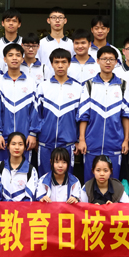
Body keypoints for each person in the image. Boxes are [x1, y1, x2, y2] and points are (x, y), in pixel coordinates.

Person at [76, 46, 129, 182]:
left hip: (115, 144)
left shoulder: (123, 86)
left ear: (116, 62)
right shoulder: (89, 85)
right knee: (90, 182)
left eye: (111, 59)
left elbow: (126, 115)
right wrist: (82, 139)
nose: (107, 62)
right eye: (104, 59)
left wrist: (126, 140)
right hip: (91, 144)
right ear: (98, 61)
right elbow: (83, 115)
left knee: (113, 182)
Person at [36, 48, 82, 176]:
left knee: (66, 179)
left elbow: (81, 117)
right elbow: (37, 114)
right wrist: (35, 135)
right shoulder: (43, 87)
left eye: (64, 62)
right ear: (51, 64)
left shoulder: (78, 88)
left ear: (69, 64)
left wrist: (79, 139)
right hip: (45, 143)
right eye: (56, 62)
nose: (60, 65)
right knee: (44, 178)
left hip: (68, 143)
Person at [0, 44, 39, 163]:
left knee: (23, 169)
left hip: (25, 138)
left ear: (22, 59)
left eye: (18, 55)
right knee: (2, 169)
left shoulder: (31, 82)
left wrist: (33, 133)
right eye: (10, 55)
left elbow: (35, 110)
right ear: (5, 59)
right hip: (3, 138)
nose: (14, 58)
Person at [0, 132, 38, 202]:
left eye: (20, 144)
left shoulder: (31, 170)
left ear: (25, 147)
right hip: (3, 208)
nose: (17, 147)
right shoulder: (0, 166)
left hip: (22, 208)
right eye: (13, 144)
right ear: (8, 146)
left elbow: (30, 196)